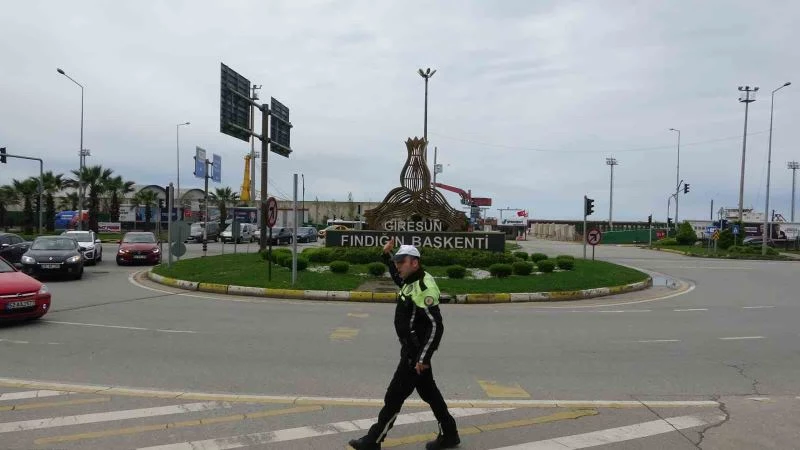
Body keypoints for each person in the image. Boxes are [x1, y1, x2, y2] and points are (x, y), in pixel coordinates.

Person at [349, 239, 460, 450]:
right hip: (412, 350)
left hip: (414, 354)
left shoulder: (423, 287)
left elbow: (436, 327)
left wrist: (422, 358)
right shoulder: (409, 281)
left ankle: (373, 440)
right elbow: (397, 276)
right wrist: (386, 256)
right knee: (430, 394)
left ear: (415, 263)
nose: (398, 265)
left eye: (402, 261)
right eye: (397, 261)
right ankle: (450, 434)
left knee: (394, 396)